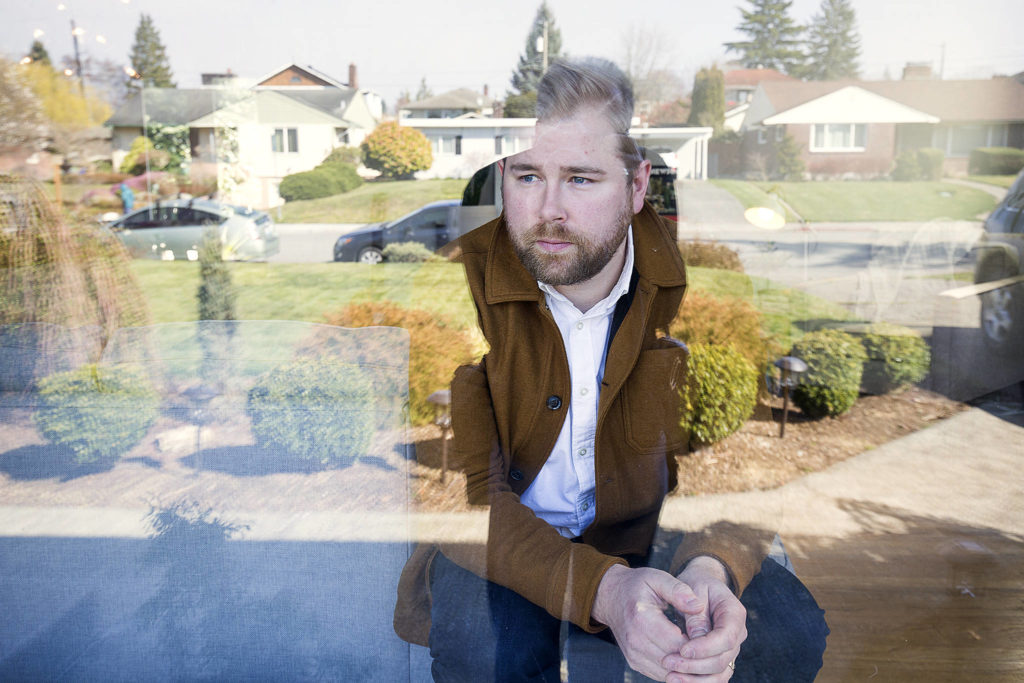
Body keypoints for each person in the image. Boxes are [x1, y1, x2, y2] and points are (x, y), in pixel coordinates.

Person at [394, 57, 826, 682]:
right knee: (490, 651)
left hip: (655, 543)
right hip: (505, 549)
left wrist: (709, 569)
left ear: (636, 185)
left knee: (780, 637)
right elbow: (456, 501)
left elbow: (734, 475)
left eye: (580, 179)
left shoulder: (692, 298)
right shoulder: (461, 288)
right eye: (526, 176)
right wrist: (605, 592)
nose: (548, 210)